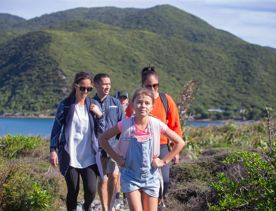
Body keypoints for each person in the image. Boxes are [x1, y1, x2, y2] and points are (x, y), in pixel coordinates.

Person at [99, 88, 185, 211]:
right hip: (130, 176)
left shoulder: (156, 124)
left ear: (152, 106)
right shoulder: (125, 124)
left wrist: (163, 161)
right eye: (139, 102)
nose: (142, 106)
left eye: (147, 103)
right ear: (132, 104)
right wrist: (117, 158)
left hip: (151, 176)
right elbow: (103, 138)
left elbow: (180, 142)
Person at [125, 66, 183, 208]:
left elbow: (175, 125)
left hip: (161, 145)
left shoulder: (166, 100)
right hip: (138, 145)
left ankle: (157, 204)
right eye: (149, 86)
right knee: (140, 181)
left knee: (165, 180)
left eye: (156, 85)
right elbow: (126, 125)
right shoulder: (136, 102)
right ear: (143, 85)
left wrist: (176, 151)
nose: (153, 88)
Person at [49, 71, 104, 211]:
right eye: (82, 88)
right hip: (70, 155)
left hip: (89, 157)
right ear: (75, 86)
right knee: (73, 190)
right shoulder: (65, 105)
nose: (85, 91)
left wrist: (100, 115)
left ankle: (86, 207)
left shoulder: (93, 105)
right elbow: (56, 129)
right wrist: (53, 150)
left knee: (91, 190)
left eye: (89, 89)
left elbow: (102, 130)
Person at [92, 73, 124, 211]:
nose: (107, 87)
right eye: (105, 84)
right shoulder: (90, 103)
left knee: (114, 176)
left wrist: (121, 146)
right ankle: (105, 208)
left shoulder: (116, 103)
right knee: (102, 179)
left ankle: (110, 207)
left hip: (114, 147)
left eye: (109, 84)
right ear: (96, 84)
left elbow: (122, 125)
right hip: (97, 149)